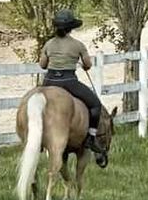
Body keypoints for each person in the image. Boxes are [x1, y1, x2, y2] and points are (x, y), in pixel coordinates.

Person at [39, 9, 104, 154]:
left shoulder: (48, 44)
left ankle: (38, 139)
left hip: (49, 81)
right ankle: (91, 137)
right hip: (68, 81)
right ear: (71, 28)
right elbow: (87, 64)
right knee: (95, 105)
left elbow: (42, 65)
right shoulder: (78, 45)